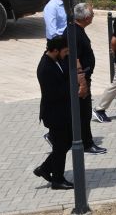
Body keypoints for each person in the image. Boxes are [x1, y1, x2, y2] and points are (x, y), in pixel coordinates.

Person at [33, 36, 83, 189]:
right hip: (54, 114)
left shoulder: (57, 60)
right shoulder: (46, 68)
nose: (67, 54)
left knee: (64, 144)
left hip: (62, 112)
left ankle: (45, 168)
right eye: (65, 51)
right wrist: (73, 86)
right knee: (61, 146)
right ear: (55, 50)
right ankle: (57, 179)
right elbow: (54, 93)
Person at [69, 3, 106, 154]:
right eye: (92, 14)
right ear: (86, 18)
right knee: (84, 113)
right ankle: (87, 144)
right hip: (80, 80)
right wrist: (82, 82)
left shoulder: (75, 30)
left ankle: (57, 136)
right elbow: (75, 59)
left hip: (83, 77)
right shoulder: (75, 33)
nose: (93, 16)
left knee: (79, 112)